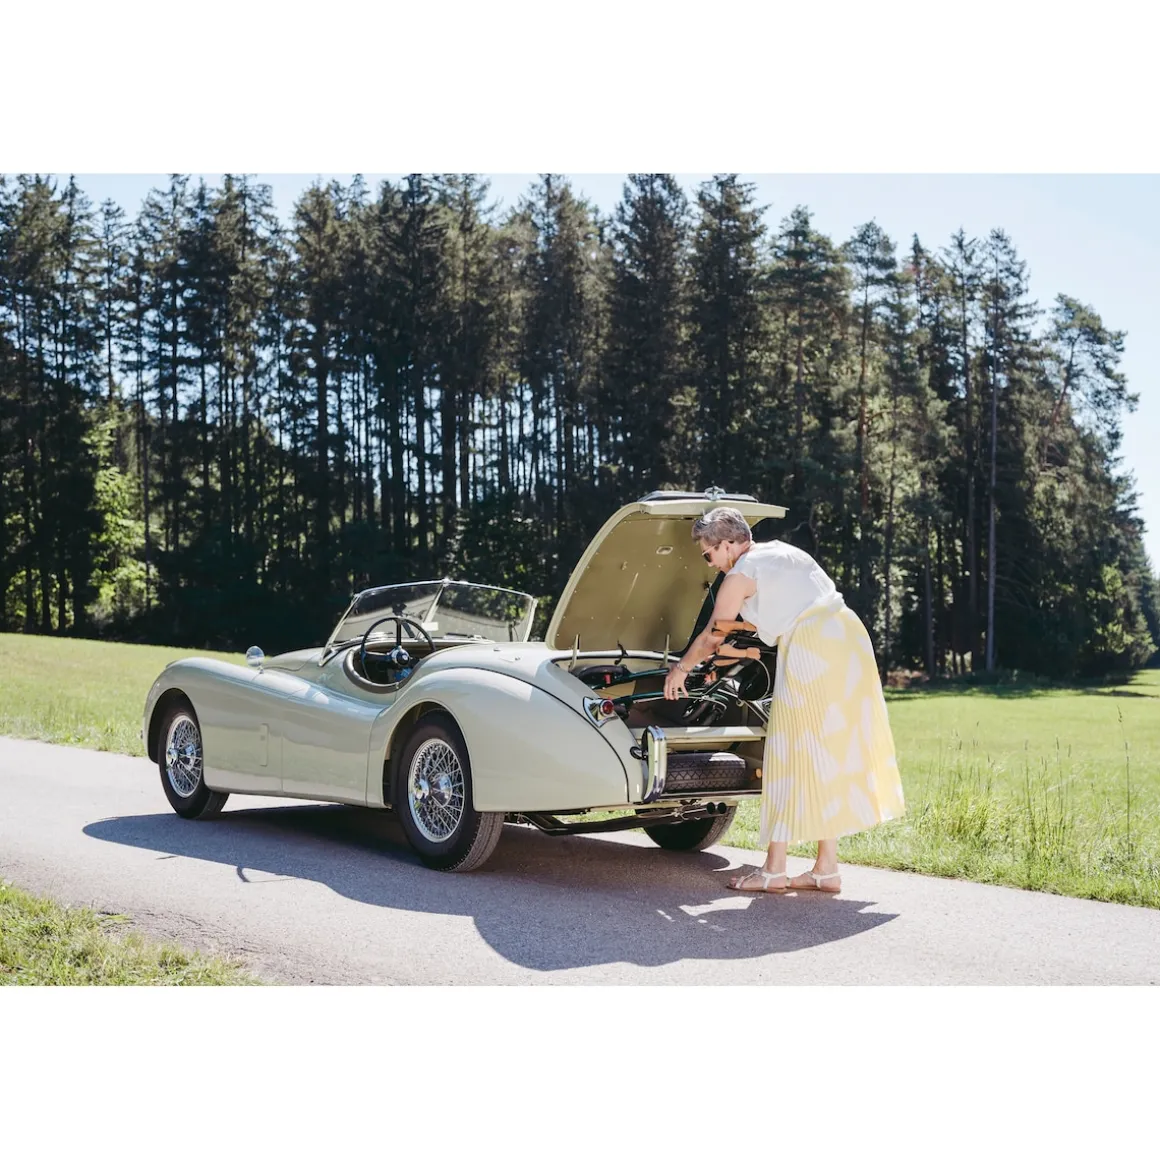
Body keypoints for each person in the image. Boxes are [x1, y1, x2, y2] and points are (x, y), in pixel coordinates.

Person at [663, 507, 905, 894]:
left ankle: (774, 870)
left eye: (709, 555)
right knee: (826, 750)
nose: (711, 564)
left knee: (788, 750)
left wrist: (680, 669)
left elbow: (714, 633)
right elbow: (755, 624)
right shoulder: (781, 551)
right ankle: (826, 868)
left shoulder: (740, 575)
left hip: (812, 646)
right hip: (848, 637)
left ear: (727, 544)